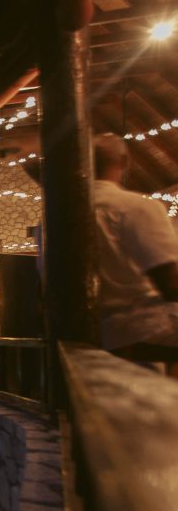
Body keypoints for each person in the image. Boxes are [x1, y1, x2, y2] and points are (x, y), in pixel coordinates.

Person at [93, 133, 178, 355]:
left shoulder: (54, 218)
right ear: (124, 162)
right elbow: (170, 284)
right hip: (139, 327)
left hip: (91, 329)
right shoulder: (136, 207)